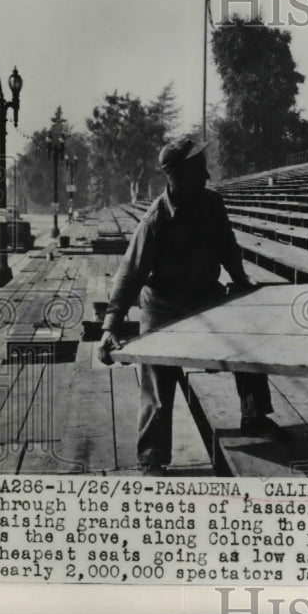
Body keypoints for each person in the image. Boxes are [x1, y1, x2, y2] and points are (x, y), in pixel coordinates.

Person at [98, 137, 277, 476]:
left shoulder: (212, 202)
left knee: (248, 337)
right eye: (198, 168)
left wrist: (242, 281)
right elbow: (131, 273)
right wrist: (110, 326)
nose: (207, 174)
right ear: (176, 175)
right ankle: (152, 455)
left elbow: (227, 246)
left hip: (206, 297)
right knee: (156, 376)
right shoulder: (155, 220)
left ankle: (254, 416)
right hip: (164, 307)